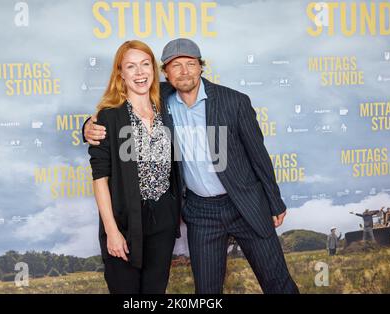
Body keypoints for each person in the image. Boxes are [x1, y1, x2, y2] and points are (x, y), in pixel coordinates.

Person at [84, 38, 299, 294]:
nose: (184, 71)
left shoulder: (234, 102)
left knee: (278, 283)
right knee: (206, 292)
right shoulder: (161, 99)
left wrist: (274, 201)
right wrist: (87, 126)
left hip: (244, 204)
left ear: (201, 67)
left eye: (190, 64)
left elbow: (259, 157)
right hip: (200, 212)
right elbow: (116, 112)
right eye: (175, 66)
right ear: (165, 73)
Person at [88, 40, 181, 294]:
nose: (139, 73)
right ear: (121, 73)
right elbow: (100, 179)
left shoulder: (166, 104)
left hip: (163, 217)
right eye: (131, 66)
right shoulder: (110, 116)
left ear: (154, 68)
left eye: (145, 64)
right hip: (125, 221)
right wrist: (111, 232)